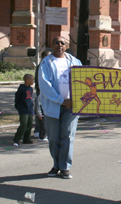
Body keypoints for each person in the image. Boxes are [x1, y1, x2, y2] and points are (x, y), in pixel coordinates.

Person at [38, 36, 82, 179]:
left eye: (62, 43)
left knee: (68, 137)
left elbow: (83, 81)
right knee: (53, 138)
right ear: (52, 45)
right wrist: (61, 100)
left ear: (67, 45)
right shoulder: (46, 62)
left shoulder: (75, 62)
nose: (59, 45)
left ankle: (65, 167)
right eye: (56, 42)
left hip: (72, 107)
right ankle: (56, 165)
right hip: (53, 107)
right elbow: (44, 86)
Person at [13, 74, 35, 146]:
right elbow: (17, 99)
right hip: (23, 109)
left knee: (30, 124)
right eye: (32, 80)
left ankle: (27, 139)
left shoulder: (30, 88)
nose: (33, 81)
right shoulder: (21, 88)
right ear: (27, 80)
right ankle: (17, 139)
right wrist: (19, 107)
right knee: (24, 125)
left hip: (30, 109)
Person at [34, 50, 51, 141]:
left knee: (44, 112)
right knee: (40, 112)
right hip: (41, 91)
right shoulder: (41, 66)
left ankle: (43, 131)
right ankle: (38, 131)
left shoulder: (47, 66)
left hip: (47, 91)